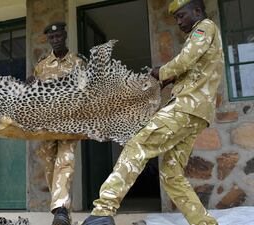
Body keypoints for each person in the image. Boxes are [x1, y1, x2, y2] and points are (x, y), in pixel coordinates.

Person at [82, 0, 223, 224]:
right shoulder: (205, 36)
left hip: (186, 107)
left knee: (138, 145)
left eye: (181, 15)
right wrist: (171, 79)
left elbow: (186, 60)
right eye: (176, 17)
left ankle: (103, 211)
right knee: (172, 174)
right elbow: (195, 68)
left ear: (197, 10)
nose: (178, 21)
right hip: (198, 114)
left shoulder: (204, 27)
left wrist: (161, 72)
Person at [32, 22, 86, 225]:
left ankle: (60, 210)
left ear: (65, 36)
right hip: (46, 125)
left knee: (65, 161)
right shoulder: (42, 65)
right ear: (49, 40)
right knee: (50, 166)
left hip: (69, 123)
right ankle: (62, 212)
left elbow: (83, 92)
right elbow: (35, 95)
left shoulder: (78, 63)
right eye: (52, 38)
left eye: (59, 36)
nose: (55, 40)